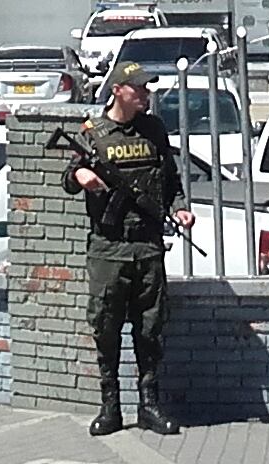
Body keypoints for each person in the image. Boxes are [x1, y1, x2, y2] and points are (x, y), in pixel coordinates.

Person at [63, 59, 193, 436]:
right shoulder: (93, 133)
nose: (145, 94)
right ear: (118, 90)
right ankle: (110, 407)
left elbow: (170, 179)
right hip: (109, 248)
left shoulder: (154, 129)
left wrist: (180, 208)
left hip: (147, 246)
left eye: (146, 88)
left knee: (150, 328)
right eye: (138, 88)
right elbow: (68, 179)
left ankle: (149, 405)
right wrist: (80, 174)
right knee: (106, 328)